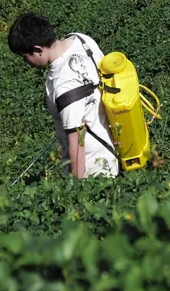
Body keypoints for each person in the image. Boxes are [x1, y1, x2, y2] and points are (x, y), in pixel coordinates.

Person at [8, 13, 119, 179]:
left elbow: (77, 143)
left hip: (96, 172)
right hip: (116, 147)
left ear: (38, 50)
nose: (26, 63)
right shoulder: (81, 40)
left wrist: (76, 191)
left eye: (25, 57)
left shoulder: (63, 84)